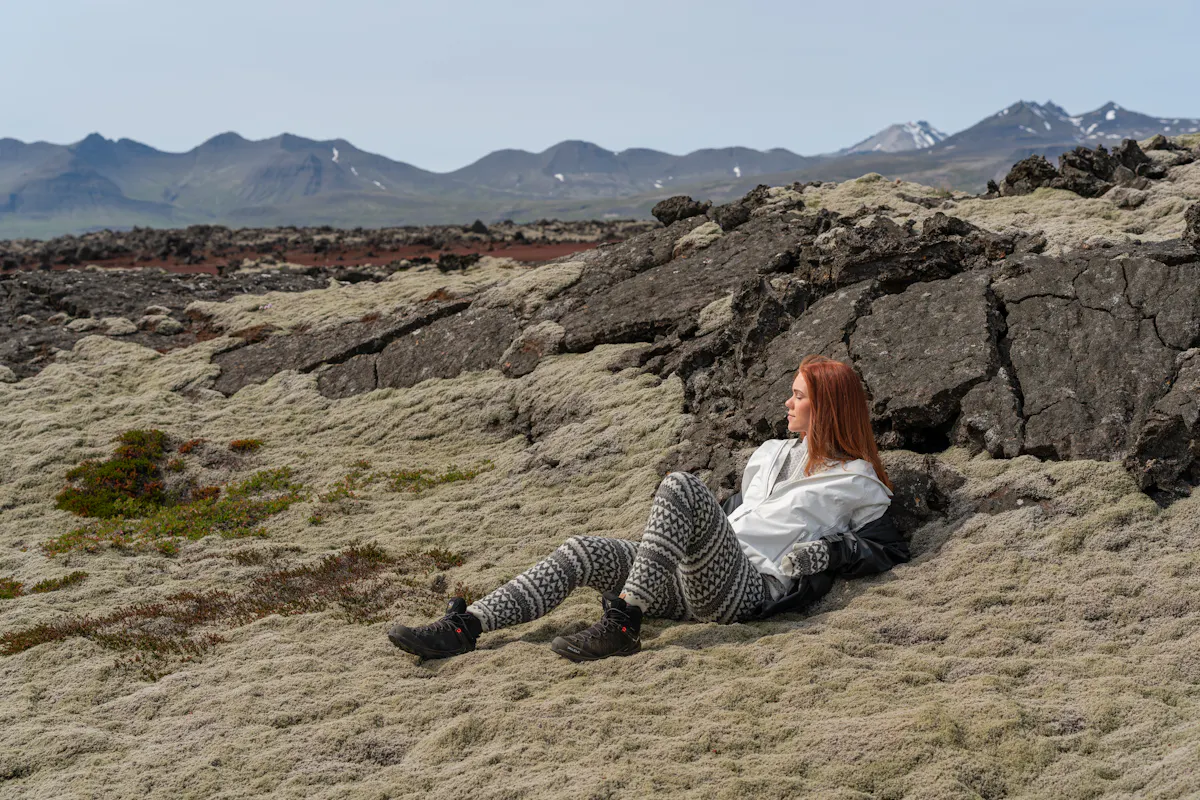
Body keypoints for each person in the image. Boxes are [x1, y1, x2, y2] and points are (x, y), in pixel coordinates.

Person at [388, 354, 906, 663]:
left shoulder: (857, 482)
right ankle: (465, 629)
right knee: (585, 549)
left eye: (798, 397)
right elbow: (730, 518)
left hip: (749, 589)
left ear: (828, 407)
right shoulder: (771, 454)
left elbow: (887, 547)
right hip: (697, 578)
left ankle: (622, 627)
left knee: (680, 482)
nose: (787, 404)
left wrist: (827, 554)